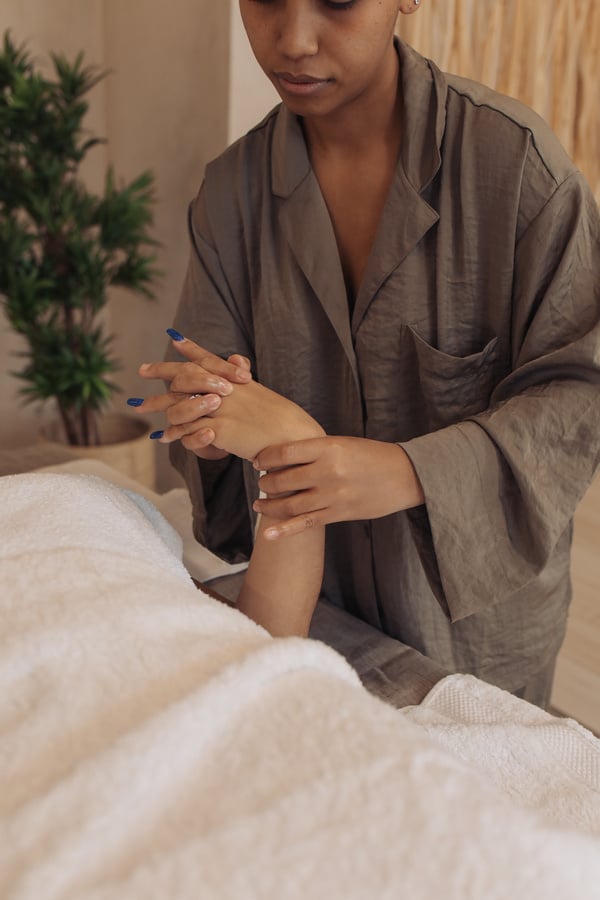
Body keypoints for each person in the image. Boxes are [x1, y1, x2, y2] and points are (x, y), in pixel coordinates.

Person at [135, 0, 600, 709]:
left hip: (475, 638)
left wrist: (410, 472)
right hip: (319, 612)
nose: (292, 40)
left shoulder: (516, 170)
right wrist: (208, 423)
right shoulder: (230, 196)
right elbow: (218, 441)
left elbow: (580, 394)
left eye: (338, 1)